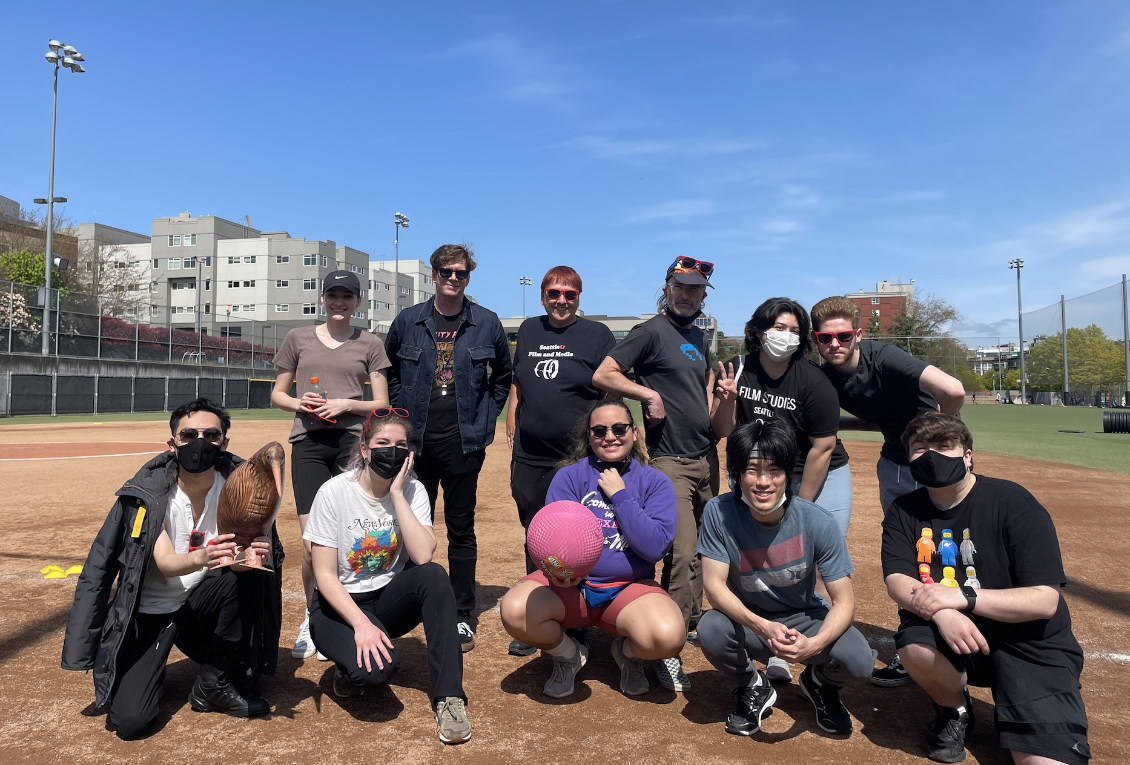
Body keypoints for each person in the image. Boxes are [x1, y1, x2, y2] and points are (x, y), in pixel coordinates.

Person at [62, 399, 282, 739]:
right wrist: (202, 557)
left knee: (250, 579)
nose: (200, 442)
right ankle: (149, 665)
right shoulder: (150, 495)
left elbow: (238, 566)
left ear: (225, 443)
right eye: (189, 434)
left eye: (211, 435)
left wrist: (251, 557)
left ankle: (213, 682)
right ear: (172, 443)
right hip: (150, 614)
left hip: (200, 607)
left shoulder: (238, 487)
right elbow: (161, 563)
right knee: (131, 722)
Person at [881, 413, 1090, 764]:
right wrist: (944, 612)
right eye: (920, 448)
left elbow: (1044, 600)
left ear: (968, 456)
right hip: (955, 634)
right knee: (915, 647)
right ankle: (955, 711)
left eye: (945, 446)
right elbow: (898, 580)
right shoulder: (904, 510)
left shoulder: (1013, 503)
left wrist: (964, 597)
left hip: (1028, 642)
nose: (932, 456)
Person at [810, 295, 965, 687]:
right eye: (825, 339)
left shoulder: (885, 358)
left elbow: (954, 391)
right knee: (912, 551)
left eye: (843, 336)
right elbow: (882, 417)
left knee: (945, 547)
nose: (835, 345)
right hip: (894, 465)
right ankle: (920, 641)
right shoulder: (826, 376)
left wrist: (934, 439)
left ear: (858, 334)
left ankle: (950, 638)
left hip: (930, 468)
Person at [303, 407, 471, 744]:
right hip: (337, 606)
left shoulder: (413, 491)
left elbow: (423, 555)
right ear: (364, 449)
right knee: (376, 673)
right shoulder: (334, 493)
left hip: (386, 600)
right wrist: (361, 625)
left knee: (434, 576)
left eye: (400, 445)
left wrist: (396, 493)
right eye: (382, 443)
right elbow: (324, 576)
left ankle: (449, 698)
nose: (391, 451)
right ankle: (344, 663)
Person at [697, 418, 872, 738]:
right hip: (751, 623)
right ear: (735, 474)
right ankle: (752, 685)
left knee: (859, 660)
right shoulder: (718, 513)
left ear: (789, 473)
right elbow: (714, 586)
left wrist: (814, 644)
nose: (763, 482)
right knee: (710, 628)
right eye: (752, 470)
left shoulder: (817, 521)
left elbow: (844, 601)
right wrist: (763, 626)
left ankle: (818, 683)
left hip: (805, 618)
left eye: (774, 470)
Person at [499, 399, 685, 698]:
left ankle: (628, 654)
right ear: (589, 437)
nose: (609, 436)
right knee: (515, 610)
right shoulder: (570, 477)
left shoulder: (655, 482)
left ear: (634, 433)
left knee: (668, 637)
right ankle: (568, 654)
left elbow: (655, 548)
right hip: (573, 589)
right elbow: (552, 541)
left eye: (619, 428)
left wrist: (622, 497)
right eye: (599, 430)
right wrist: (558, 572)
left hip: (628, 589)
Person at [593, 256, 719, 692]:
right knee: (682, 553)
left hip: (706, 456)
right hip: (670, 461)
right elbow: (604, 373)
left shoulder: (698, 336)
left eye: (696, 289)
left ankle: (693, 619)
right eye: (680, 286)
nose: (687, 294)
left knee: (706, 548)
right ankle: (671, 645)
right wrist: (647, 393)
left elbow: (698, 391)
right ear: (666, 288)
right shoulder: (650, 331)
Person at [713, 297, 853, 684]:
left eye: (794, 331)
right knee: (752, 560)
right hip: (758, 471)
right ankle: (763, 637)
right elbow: (723, 430)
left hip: (814, 473)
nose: (786, 337)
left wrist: (797, 510)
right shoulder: (740, 369)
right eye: (778, 328)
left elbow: (822, 447)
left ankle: (800, 650)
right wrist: (726, 400)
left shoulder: (813, 380)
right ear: (758, 331)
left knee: (804, 562)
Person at [384, 244, 513, 651]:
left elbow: (503, 377)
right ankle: (397, 608)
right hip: (414, 445)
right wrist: (399, 415)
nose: (453, 278)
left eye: (461, 272)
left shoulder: (486, 323)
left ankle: (460, 614)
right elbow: (386, 370)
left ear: (468, 276)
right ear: (434, 275)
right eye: (446, 271)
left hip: (463, 444)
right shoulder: (408, 321)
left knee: (461, 529)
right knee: (406, 528)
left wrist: (485, 419)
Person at [272, 270, 392, 660]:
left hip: (352, 444)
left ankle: (341, 619)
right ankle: (313, 617)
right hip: (308, 442)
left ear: (358, 302)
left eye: (348, 296)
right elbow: (277, 394)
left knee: (344, 542)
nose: (339, 302)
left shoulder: (370, 343)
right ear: (322, 299)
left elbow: (381, 404)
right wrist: (299, 403)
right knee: (312, 546)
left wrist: (345, 404)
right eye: (333, 295)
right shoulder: (298, 339)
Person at [505, 266, 617, 656]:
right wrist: (511, 419)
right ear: (542, 297)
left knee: (579, 537)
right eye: (554, 294)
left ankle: (577, 619)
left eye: (569, 294)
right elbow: (519, 381)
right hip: (531, 455)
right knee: (536, 535)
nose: (561, 301)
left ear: (579, 297)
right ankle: (534, 615)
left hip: (576, 459)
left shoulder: (597, 335)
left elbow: (607, 394)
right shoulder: (530, 330)